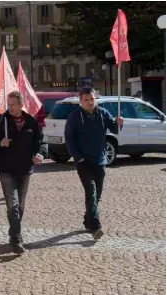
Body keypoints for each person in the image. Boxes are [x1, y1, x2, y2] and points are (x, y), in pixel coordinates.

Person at [0, 90, 47, 254]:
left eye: (13, 104)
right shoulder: (0, 120)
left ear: (21, 105)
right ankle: (17, 239)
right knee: (12, 205)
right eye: (8, 104)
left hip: (25, 169)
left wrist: (40, 153)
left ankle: (13, 233)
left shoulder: (31, 122)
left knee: (20, 205)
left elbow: (41, 142)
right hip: (6, 169)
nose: (10, 107)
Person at [64, 87, 123, 240]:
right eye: (86, 100)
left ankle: (87, 219)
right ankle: (95, 227)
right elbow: (69, 139)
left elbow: (114, 129)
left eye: (92, 99)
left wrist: (119, 123)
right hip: (84, 162)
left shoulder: (102, 113)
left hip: (100, 160)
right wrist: (78, 158)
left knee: (97, 195)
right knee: (91, 192)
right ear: (80, 101)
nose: (90, 102)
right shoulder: (74, 117)